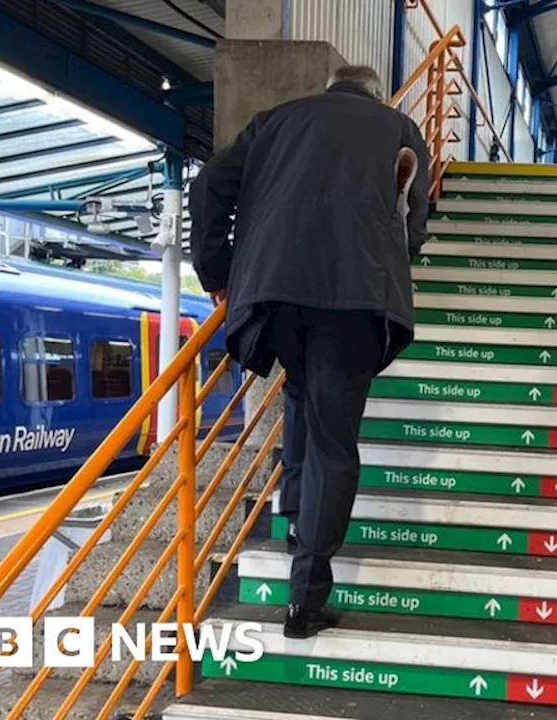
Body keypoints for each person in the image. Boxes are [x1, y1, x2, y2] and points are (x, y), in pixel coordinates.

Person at [189, 64, 432, 639]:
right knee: (331, 437)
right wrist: (400, 257)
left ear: (329, 91)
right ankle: (305, 598)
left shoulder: (274, 122)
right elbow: (416, 216)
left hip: (276, 293)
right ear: (374, 95)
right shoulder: (397, 126)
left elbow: (208, 187)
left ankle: (298, 513)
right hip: (355, 299)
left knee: (301, 392)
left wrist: (218, 270)